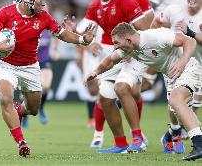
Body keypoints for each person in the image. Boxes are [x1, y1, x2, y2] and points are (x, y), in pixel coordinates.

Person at [0, 0, 95, 157]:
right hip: (5, 65)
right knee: (5, 99)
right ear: (29, 0)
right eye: (40, 0)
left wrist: (82, 40)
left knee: (33, 109)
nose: (43, 3)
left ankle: (18, 111)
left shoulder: (44, 17)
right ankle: (21, 142)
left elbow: (62, 34)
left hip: (30, 66)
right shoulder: (6, 13)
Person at [85, 22, 202, 161]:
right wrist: (95, 72)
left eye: (116, 42)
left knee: (176, 100)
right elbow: (110, 60)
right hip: (171, 76)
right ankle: (171, 133)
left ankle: (199, 145)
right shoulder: (129, 48)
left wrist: (182, 61)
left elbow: (189, 41)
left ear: (128, 39)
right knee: (179, 117)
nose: (115, 46)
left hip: (188, 67)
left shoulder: (156, 36)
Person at [78, 0, 150, 153]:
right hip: (115, 54)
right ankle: (120, 143)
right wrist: (85, 41)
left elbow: (143, 30)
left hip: (133, 54)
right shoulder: (95, 6)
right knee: (106, 98)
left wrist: (132, 51)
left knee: (124, 89)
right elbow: (81, 32)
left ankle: (138, 138)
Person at [150, 0, 202, 154]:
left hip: (199, 65)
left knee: (190, 106)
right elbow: (157, 22)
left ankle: (173, 133)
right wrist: (153, 45)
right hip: (177, 65)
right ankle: (178, 133)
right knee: (176, 104)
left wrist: (191, 32)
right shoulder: (174, 10)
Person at [20, 30, 60, 128]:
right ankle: (25, 117)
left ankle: (41, 108)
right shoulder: (28, 29)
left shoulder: (49, 30)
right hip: (29, 64)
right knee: (28, 92)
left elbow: (57, 37)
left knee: (45, 86)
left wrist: (55, 50)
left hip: (44, 63)